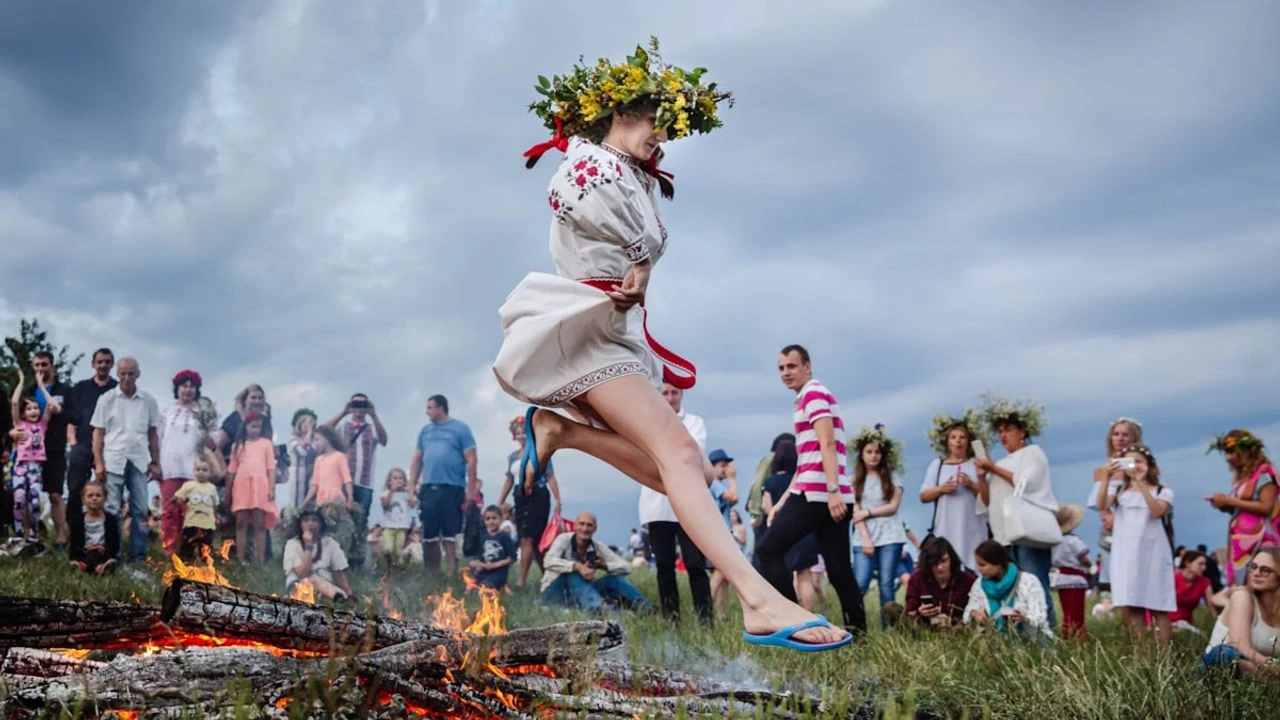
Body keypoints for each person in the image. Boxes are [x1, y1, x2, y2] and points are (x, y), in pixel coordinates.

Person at [493, 43, 845, 651]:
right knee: (682, 457)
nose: (665, 141)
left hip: (615, 335)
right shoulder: (587, 159)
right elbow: (566, 195)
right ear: (622, 110)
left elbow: (637, 244)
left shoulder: (635, 175)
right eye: (660, 123)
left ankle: (561, 432)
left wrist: (642, 269)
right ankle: (758, 601)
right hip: (586, 333)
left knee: (691, 470)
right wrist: (635, 259)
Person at [755, 346, 866, 641]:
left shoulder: (813, 393)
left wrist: (832, 492)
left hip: (821, 494)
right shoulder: (808, 396)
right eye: (781, 368)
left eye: (791, 366)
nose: (786, 373)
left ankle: (794, 624)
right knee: (839, 568)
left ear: (808, 366)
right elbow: (806, 461)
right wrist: (780, 503)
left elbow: (827, 443)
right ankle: (859, 635)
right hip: (822, 491)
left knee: (768, 551)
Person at [973, 394, 1059, 628]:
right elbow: (986, 501)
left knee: (1036, 586)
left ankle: (1046, 636)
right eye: (999, 431)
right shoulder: (1001, 461)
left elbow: (1025, 482)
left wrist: (993, 467)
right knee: (1013, 590)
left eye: (1008, 429)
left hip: (1028, 531)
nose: (1003, 435)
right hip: (1004, 535)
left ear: (1022, 432)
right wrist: (982, 477)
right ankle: (1019, 638)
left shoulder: (1033, 452)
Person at [637, 383, 713, 622]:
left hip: (687, 503)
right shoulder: (647, 422)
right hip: (657, 503)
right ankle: (671, 619)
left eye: (674, 393)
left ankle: (705, 619)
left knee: (695, 565)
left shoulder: (694, 422)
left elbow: (691, 455)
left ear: (681, 395)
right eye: (665, 393)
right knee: (664, 566)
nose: (670, 398)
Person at [1099, 444, 1176, 646]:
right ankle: (1142, 655)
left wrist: (1141, 484)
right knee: (1133, 606)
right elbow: (1101, 505)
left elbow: (1157, 512)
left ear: (1149, 464)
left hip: (1153, 551)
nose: (1135, 466)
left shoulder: (1163, 490)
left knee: (1159, 605)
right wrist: (1106, 477)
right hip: (1126, 552)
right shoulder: (1120, 490)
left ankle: (1164, 655)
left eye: (1139, 461)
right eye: (1130, 462)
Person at [90, 357, 162, 563]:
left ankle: (138, 556)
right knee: (112, 509)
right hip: (113, 459)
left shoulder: (148, 401)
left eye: (131, 373)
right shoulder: (107, 399)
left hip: (139, 460)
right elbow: (98, 433)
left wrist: (156, 462)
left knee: (139, 509)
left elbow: (152, 434)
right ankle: (112, 554)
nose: (127, 378)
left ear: (138, 374)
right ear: (117, 374)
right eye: (123, 373)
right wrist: (99, 463)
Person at [409, 394, 477, 579]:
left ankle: (451, 572)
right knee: (429, 532)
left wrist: (470, 491)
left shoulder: (460, 429)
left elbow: (471, 459)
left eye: (430, 407)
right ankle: (433, 572)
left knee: (450, 532)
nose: (427, 411)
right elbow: (417, 460)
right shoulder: (425, 431)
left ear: (441, 408)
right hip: (429, 486)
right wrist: (411, 488)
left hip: (452, 486)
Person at [849, 424, 907, 624]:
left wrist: (869, 512)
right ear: (862, 454)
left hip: (890, 534)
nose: (874, 456)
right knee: (861, 583)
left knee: (886, 583)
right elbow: (855, 512)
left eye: (877, 452)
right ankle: (854, 624)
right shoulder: (854, 480)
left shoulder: (892, 477)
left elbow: (893, 506)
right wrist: (866, 538)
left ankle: (889, 628)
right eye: (869, 452)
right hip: (864, 536)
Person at [497, 413, 562, 588]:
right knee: (531, 540)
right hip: (520, 497)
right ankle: (548, 577)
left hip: (538, 495)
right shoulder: (512, 457)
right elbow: (509, 480)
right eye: (517, 431)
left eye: (523, 430)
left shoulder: (540, 450)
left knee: (529, 538)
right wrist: (500, 502)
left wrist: (558, 500)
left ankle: (521, 582)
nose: (521, 434)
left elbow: (550, 477)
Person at [1205, 430, 1278, 587]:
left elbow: (1266, 507)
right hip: (1241, 543)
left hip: (1262, 541)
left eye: (1231, 452)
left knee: (1260, 586)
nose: (1228, 458)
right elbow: (1244, 509)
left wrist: (1230, 500)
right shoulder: (1241, 478)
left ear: (1247, 450)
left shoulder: (1264, 473)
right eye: (1226, 453)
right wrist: (1225, 506)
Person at [920, 410, 989, 571]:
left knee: (974, 566)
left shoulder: (976, 463)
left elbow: (987, 499)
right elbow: (923, 496)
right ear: (947, 442)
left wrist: (972, 485)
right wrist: (941, 489)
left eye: (962, 437)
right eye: (953, 437)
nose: (958, 441)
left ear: (969, 441)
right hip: (944, 526)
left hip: (972, 526)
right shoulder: (937, 466)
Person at [540, 512, 651, 612]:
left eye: (589, 525)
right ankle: (600, 609)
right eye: (581, 524)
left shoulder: (597, 546)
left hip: (584, 592)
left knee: (614, 579)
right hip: (556, 591)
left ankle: (647, 608)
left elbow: (627, 567)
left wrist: (604, 565)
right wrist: (577, 566)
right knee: (573, 574)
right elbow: (548, 560)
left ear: (595, 529)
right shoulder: (563, 539)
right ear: (575, 526)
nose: (584, 529)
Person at [324, 393, 387, 567]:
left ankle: (357, 562)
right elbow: (324, 430)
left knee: (360, 523)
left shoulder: (370, 427)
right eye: (356, 404)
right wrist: (343, 412)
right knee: (341, 520)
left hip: (365, 481)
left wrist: (373, 415)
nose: (359, 408)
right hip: (344, 481)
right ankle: (338, 559)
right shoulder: (344, 426)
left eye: (362, 404)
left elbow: (383, 440)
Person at [157, 370, 213, 558]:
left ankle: (186, 552)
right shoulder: (167, 412)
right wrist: (154, 463)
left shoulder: (202, 414)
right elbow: (157, 438)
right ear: (177, 388)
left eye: (192, 386)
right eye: (184, 386)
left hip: (193, 470)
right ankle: (169, 549)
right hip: (170, 468)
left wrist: (207, 431)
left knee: (190, 512)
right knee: (170, 509)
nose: (188, 390)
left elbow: (212, 442)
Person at [1202, 546, 1280, 677]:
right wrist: (1275, 666)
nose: (1256, 573)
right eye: (1253, 566)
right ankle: (1267, 683)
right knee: (1227, 654)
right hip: (1220, 667)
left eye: (1265, 570)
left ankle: (1266, 683)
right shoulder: (1243, 596)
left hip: (1261, 670)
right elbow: (1241, 647)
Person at [64, 348, 116, 531]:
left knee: (107, 490)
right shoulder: (80, 388)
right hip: (83, 444)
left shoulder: (116, 389)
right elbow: (70, 419)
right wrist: (73, 443)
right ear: (93, 364)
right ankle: (75, 532)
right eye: (100, 361)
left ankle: (106, 534)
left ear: (112, 364)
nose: (103, 365)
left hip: (109, 446)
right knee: (75, 488)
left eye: (107, 362)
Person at [1089, 418, 1143, 595]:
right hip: (1111, 526)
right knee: (1113, 575)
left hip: (1135, 521)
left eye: (1125, 435)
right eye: (1116, 434)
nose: (1119, 438)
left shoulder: (1141, 466)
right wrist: (1105, 515)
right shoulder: (1101, 470)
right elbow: (1099, 501)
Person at [26, 352, 71, 551]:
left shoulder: (64, 390)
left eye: (44, 364)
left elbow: (58, 409)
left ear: (52, 366)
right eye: (36, 365)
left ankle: (61, 537)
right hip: (31, 450)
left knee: (55, 494)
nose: (40, 369)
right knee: (29, 494)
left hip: (54, 448)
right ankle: (31, 537)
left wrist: (43, 387)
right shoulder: (29, 390)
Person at [8, 366, 59, 543]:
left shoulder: (42, 425)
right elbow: (14, 403)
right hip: (20, 466)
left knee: (34, 502)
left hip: (35, 467)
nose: (33, 411)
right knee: (19, 500)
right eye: (29, 409)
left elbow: (52, 405)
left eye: (36, 408)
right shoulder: (19, 424)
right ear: (23, 412)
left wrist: (41, 386)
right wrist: (21, 382)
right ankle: (21, 533)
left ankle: (34, 535)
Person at [964, 539, 1053, 640]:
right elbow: (967, 613)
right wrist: (973, 614)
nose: (979, 569)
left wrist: (1024, 618)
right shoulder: (979, 584)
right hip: (994, 642)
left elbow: (1040, 617)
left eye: (983, 565)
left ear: (998, 563)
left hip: (1030, 639)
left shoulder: (1029, 581)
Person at [226, 412, 277, 564]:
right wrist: (228, 493)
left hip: (260, 486)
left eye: (258, 427)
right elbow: (231, 470)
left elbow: (271, 468)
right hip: (242, 485)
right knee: (241, 522)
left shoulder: (266, 444)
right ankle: (241, 559)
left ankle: (261, 560)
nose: (256, 430)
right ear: (245, 426)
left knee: (259, 523)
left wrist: (272, 488)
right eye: (252, 426)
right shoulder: (237, 446)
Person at [905, 536, 976, 628]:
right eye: (935, 563)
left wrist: (952, 621)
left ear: (951, 559)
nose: (940, 567)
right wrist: (920, 612)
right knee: (891, 609)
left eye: (944, 561)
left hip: (955, 626)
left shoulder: (967, 580)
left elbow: (974, 612)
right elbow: (910, 611)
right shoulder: (917, 578)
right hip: (925, 624)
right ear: (928, 563)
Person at [283, 509, 351, 601]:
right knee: (313, 579)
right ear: (300, 524)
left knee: (319, 583)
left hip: (326, 588)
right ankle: (341, 599)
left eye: (315, 520)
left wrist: (348, 591)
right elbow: (303, 574)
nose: (310, 523)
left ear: (321, 524)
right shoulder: (292, 544)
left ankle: (345, 599)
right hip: (299, 587)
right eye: (306, 520)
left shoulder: (330, 543)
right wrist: (308, 546)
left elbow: (339, 573)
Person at [171, 450, 222, 561]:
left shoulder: (212, 488)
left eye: (204, 470)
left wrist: (216, 517)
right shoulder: (189, 485)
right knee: (188, 544)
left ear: (210, 472)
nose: (201, 472)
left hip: (207, 524)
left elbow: (215, 504)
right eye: (198, 469)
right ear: (193, 471)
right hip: (192, 522)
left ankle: (206, 565)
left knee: (205, 547)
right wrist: (175, 500)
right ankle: (185, 563)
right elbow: (180, 497)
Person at [1051, 505, 1092, 640]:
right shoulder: (1074, 541)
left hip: (1061, 579)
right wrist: (1089, 565)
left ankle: (1067, 633)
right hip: (1076, 579)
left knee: (1067, 609)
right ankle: (1079, 635)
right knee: (1077, 611)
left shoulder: (1054, 540)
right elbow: (1084, 558)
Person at [68, 481, 118, 574]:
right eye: (90, 496)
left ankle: (91, 567)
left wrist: (103, 548)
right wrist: (85, 549)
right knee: (87, 555)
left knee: (103, 556)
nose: (94, 498)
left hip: (103, 553)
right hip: (84, 553)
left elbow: (114, 542)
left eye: (98, 495)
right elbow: (74, 543)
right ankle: (95, 567)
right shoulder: (77, 520)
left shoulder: (110, 519)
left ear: (105, 498)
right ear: (83, 499)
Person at [469, 505, 518, 591]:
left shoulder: (504, 537)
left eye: (494, 518)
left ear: (501, 519)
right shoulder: (483, 538)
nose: (491, 521)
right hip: (483, 572)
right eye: (487, 519)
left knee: (485, 586)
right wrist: (479, 564)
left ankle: (503, 586)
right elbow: (477, 558)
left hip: (498, 573)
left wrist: (496, 564)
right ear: (484, 521)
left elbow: (512, 558)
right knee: (469, 588)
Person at [305, 426, 353, 508]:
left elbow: (347, 479)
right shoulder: (319, 460)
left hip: (335, 498)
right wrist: (305, 502)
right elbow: (314, 484)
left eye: (317, 440)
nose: (315, 443)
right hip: (321, 498)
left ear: (326, 439)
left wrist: (350, 498)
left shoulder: (339, 456)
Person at [379, 467, 416, 568]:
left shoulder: (405, 494)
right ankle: (388, 564)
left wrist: (409, 492)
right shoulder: (386, 493)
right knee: (388, 548)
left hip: (401, 527)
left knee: (398, 549)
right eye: (395, 478)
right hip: (388, 526)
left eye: (401, 478)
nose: (398, 480)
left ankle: (398, 567)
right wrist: (391, 491)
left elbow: (413, 504)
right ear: (389, 481)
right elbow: (385, 505)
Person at [283, 409, 319, 511]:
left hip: (312, 475)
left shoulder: (315, 440)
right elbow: (302, 451)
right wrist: (308, 433)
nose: (307, 425)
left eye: (310, 422)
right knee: (297, 504)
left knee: (311, 505)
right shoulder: (293, 438)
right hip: (298, 475)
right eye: (304, 421)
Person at [1174, 550, 1218, 632]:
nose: (1204, 568)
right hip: (1167, 623)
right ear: (1187, 563)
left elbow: (1212, 606)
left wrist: (1218, 628)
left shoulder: (1205, 582)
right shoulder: (1173, 579)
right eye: (1200, 564)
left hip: (1187, 625)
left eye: (1205, 564)